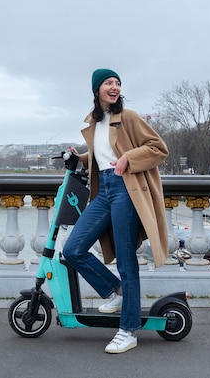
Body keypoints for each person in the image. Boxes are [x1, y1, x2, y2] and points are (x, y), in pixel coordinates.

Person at [62, 68, 169, 354]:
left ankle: (128, 330)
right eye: (108, 83)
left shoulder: (129, 117)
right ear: (97, 89)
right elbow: (101, 156)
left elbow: (158, 148)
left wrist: (128, 158)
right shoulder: (96, 121)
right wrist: (79, 158)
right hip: (104, 191)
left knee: (126, 262)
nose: (114, 87)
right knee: (73, 250)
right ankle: (114, 290)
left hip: (126, 189)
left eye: (117, 83)